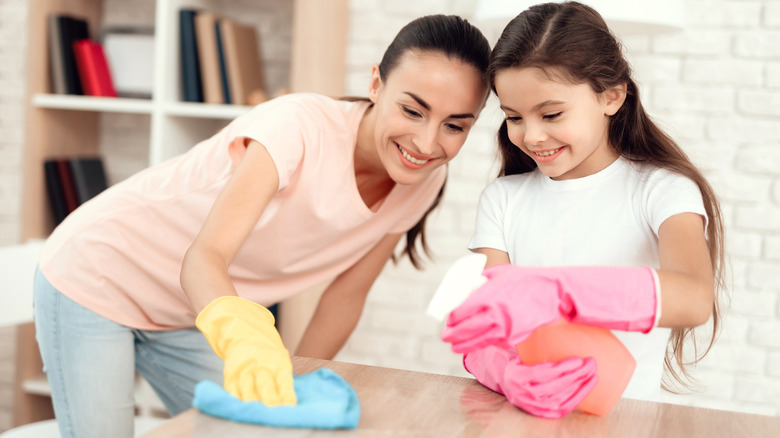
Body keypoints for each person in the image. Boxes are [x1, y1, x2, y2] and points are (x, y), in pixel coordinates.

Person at [33, 14, 491, 438]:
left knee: (262, 430)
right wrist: (247, 340)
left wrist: (297, 386)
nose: (426, 143)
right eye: (413, 111)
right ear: (376, 83)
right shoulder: (297, 127)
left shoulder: (421, 181)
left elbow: (345, 295)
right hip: (99, 275)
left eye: (454, 125)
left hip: (185, 314)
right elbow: (204, 258)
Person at [440, 1, 726, 419]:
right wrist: (505, 373)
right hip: (520, 419)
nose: (532, 135)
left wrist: (557, 292)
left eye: (551, 113)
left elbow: (693, 297)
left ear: (611, 97)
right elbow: (484, 327)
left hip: (625, 423)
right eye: (513, 117)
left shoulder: (662, 192)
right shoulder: (503, 199)